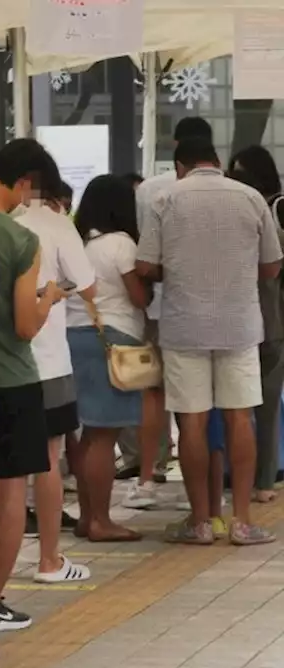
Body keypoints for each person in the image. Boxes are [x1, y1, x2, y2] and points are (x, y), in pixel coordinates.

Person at [136, 136, 283, 546]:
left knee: (193, 422)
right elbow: (272, 267)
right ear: (218, 162)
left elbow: (145, 264)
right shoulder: (251, 198)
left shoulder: (166, 199)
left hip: (185, 327)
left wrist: (179, 271)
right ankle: (241, 521)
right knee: (240, 418)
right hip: (239, 326)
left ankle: (201, 521)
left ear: (181, 166)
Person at [0, 138, 63, 635]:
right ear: (23, 182)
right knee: (7, 503)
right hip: (13, 383)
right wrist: (47, 300)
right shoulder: (22, 240)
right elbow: (25, 326)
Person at [119, 119, 214, 495]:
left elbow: (143, 251)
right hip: (221, 310)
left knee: (154, 392)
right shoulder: (237, 191)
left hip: (162, 305)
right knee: (215, 400)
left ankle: (150, 468)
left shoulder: (152, 190)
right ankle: (211, 473)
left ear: (176, 150)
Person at [14, 169, 97, 584]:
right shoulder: (55, 223)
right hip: (47, 359)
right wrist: (53, 288)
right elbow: (87, 284)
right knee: (48, 458)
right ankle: (49, 560)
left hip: (2, 361)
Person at [65, 174, 150, 542]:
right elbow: (138, 297)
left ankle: (88, 517)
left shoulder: (82, 244)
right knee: (104, 437)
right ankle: (100, 520)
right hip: (112, 342)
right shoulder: (121, 243)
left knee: (88, 436)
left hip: (76, 338)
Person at [228, 147, 284, 503]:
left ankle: (262, 480)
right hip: (253, 318)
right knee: (248, 407)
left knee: (261, 407)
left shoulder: (275, 206)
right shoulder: (244, 207)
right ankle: (254, 479)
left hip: (270, 318)